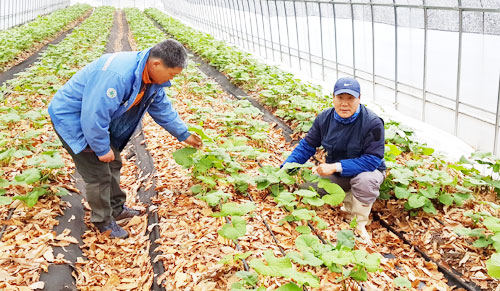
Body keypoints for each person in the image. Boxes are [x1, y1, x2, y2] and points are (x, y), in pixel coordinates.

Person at [48, 39, 202, 239]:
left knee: (114, 162)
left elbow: (162, 108)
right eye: (171, 74)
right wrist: (102, 149)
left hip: (94, 120)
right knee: (98, 173)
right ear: (157, 64)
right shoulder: (117, 76)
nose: (171, 79)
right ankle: (103, 222)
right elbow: (94, 115)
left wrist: (184, 134)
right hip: (73, 119)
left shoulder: (152, 79)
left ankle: (117, 209)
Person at [282, 77, 385, 244]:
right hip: (337, 172)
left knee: (364, 180)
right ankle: (349, 193)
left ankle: (358, 224)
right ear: (333, 98)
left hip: (367, 171)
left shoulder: (372, 123)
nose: (345, 103)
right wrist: (285, 169)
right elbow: (307, 146)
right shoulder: (325, 118)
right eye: (340, 98)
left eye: (350, 98)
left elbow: (372, 160)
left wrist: (336, 166)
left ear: (359, 98)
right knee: (306, 188)